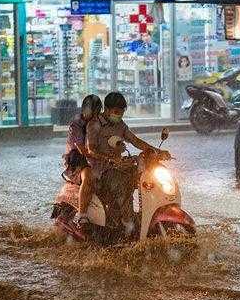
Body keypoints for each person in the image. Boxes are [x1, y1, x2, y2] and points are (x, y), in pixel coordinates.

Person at [85, 92, 170, 225]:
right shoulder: (94, 125)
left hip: (118, 167)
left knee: (146, 178)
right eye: (116, 111)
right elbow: (91, 149)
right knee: (123, 184)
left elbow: (135, 141)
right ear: (106, 109)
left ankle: (145, 216)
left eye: (121, 112)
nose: (119, 115)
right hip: (101, 171)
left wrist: (157, 152)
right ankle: (128, 223)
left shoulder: (120, 125)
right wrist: (109, 159)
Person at [61, 94, 103, 227]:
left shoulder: (98, 123)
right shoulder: (76, 125)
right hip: (77, 162)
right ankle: (82, 215)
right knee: (88, 177)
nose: (95, 114)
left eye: (97, 111)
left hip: (95, 160)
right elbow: (83, 151)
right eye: (93, 111)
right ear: (85, 109)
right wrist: (104, 156)